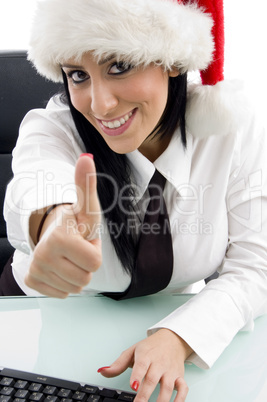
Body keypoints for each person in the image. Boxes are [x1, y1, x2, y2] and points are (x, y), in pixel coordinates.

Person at [2, 0, 267, 400]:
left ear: (172, 60)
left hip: (161, 321)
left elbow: (255, 265)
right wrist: (55, 225)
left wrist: (180, 336)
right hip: (36, 320)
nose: (100, 104)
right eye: (78, 75)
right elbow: (36, 185)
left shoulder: (232, 128)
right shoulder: (52, 127)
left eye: (119, 65)